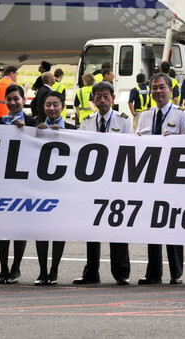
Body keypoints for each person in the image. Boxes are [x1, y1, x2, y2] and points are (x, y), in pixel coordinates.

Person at [75, 80, 133, 286]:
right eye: (98, 96)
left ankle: (121, 272)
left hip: (116, 181)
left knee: (117, 226)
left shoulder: (123, 120)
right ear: (93, 99)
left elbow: (130, 151)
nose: (102, 100)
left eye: (105, 96)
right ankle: (91, 272)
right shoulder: (87, 122)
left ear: (113, 98)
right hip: (93, 182)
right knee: (91, 228)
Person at [136, 72, 185, 284]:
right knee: (152, 226)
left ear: (170, 90)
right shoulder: (145, 116)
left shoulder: (181, 115)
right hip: (151, 179)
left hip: (173, 179)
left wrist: (174, 141)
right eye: (154, 88)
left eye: (162, 87)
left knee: (173, 226)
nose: (158, 91)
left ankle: (176, 273)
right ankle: (154, 273)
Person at [0, 84, 35, 283]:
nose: (13, 103)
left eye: (16, 99)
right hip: (1, 181)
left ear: (24, 100)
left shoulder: (33, 121)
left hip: (24, 181)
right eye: (9, 100)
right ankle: (3, 268)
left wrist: (29, 130)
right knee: (1, 226)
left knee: (19, 226)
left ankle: (16, 267)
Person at [34, 90, 73, 284]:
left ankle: (54, 270)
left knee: (59, 230)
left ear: (63, 106)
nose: (51, 108)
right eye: (48, 105)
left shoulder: (74, 130)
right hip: (40, 187)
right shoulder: (34, 128)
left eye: (55, 104)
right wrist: (37, 133)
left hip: (63, 188)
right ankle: (42, 271)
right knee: (41, 231)